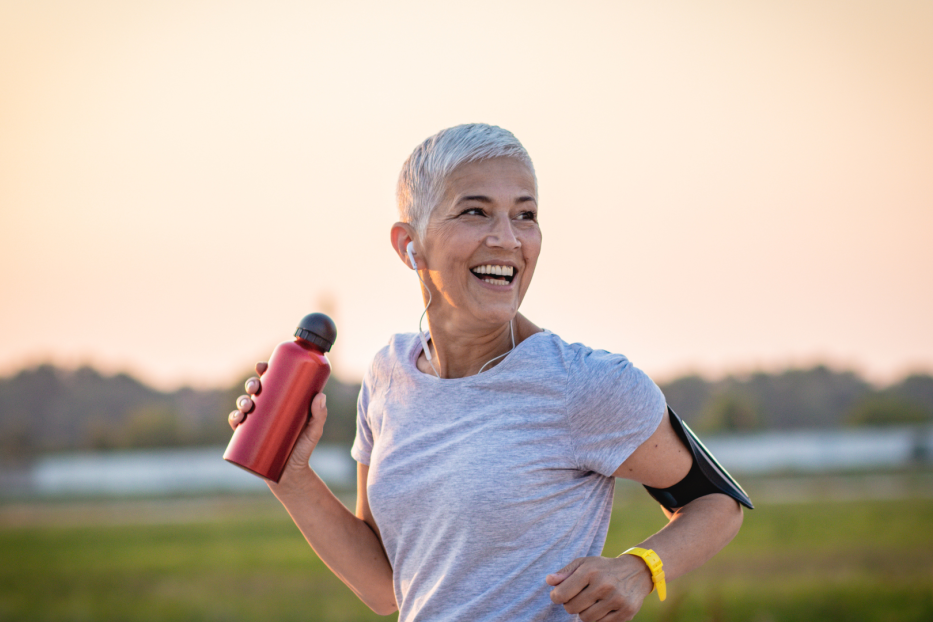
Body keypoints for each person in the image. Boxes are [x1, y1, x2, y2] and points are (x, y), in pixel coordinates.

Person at [230, 124, 745, 621]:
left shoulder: (583, 383)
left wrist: (640, 568)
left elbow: (718, 502)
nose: (507, 239)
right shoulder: (389, 376)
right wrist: (290, 474)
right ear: (409, 243)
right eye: (475, 212)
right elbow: (384, 585)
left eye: (525, 215)